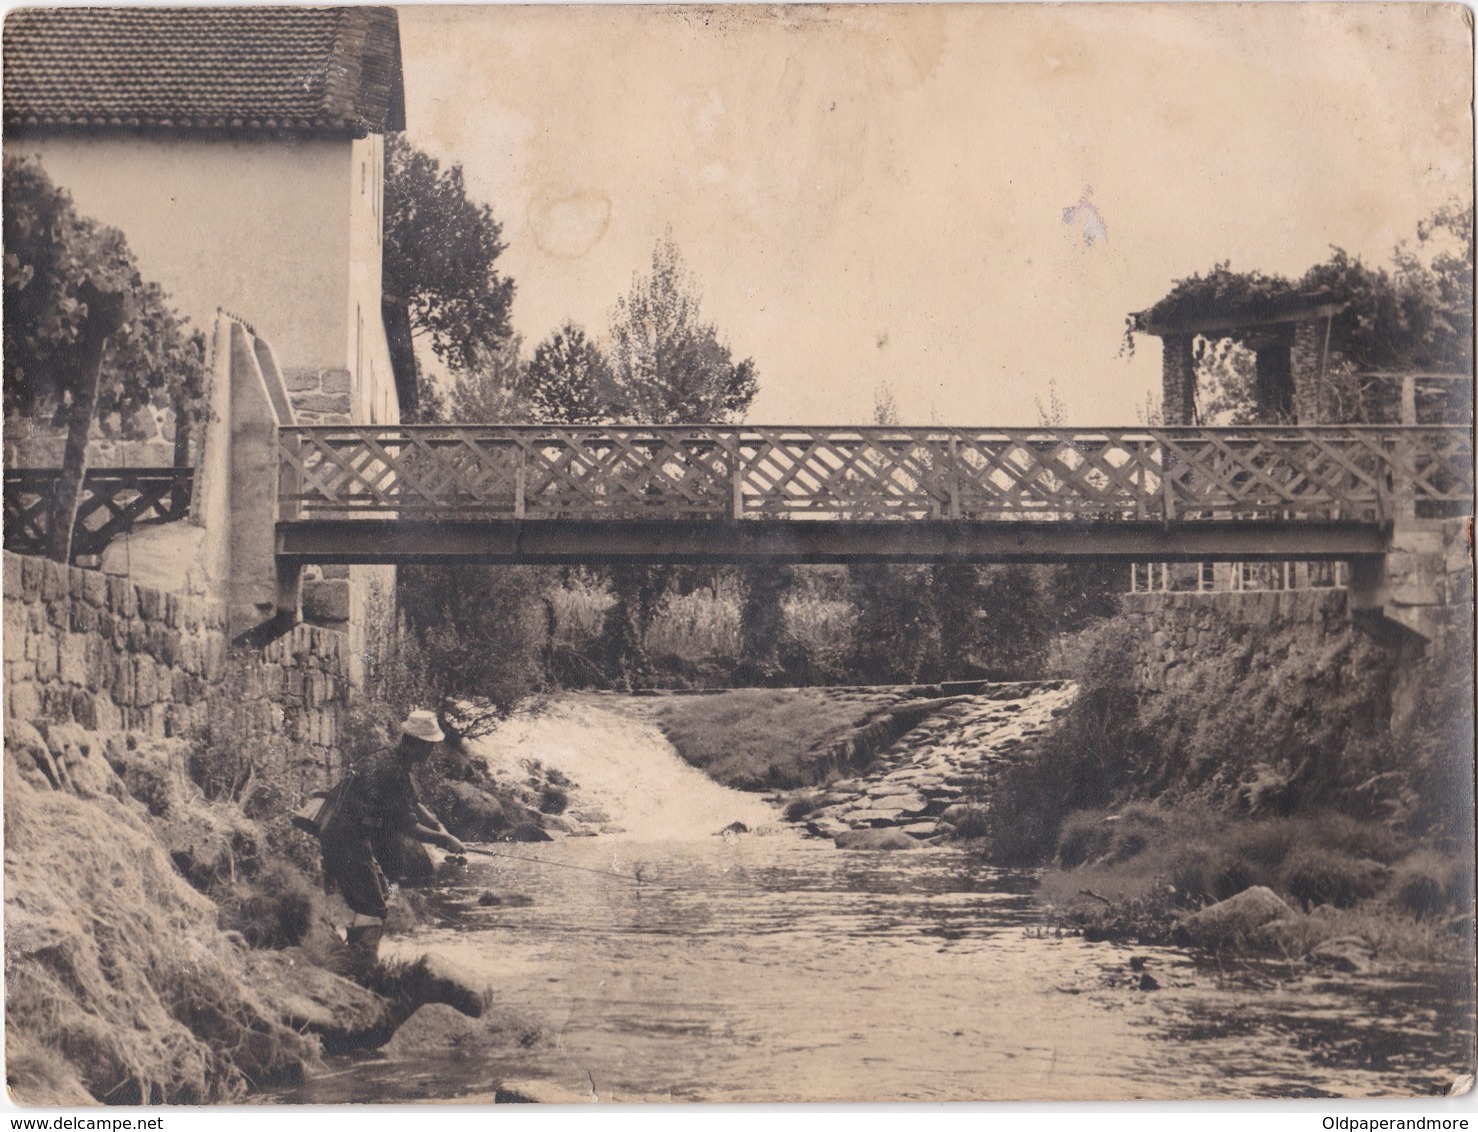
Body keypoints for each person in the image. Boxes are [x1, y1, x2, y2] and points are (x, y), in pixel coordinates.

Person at [320, 709, 467, 969]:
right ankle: (361, 965)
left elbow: (415, 804)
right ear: (416, 744)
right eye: (429, 747)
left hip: (349, 835)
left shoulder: (392, 760)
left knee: (373, 894)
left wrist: (440, 827)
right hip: (345, 838)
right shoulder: (390, 771)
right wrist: (446, 842)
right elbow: (409, 828)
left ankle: (354, 957)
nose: (431, 753)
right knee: (374, 906)